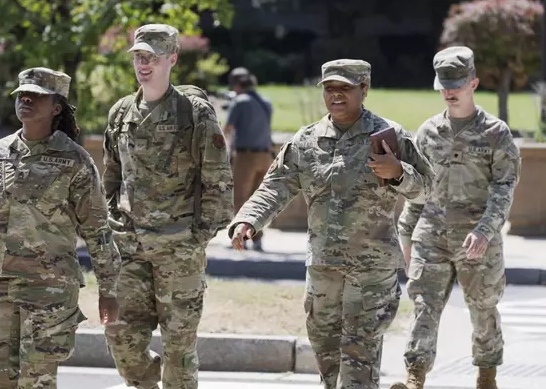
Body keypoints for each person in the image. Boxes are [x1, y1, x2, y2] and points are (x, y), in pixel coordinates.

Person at [228, 59, 434, 389]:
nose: (336, 95)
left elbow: (427, 188)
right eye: (329, 89)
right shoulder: (307, 140)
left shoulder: (390, 137)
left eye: (345, 89)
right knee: (328, 364)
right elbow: (276, 185)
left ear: (364, 90)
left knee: (357, 365)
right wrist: (249, 219)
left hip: (372, 273)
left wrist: (398, 173)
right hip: (323, 270)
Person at [0, 67, 121, 388]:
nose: (25, 99)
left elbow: (97, 229)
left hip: (51, 289)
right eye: (22, 94)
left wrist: (109, 290)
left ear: (56, 107)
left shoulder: (75, 161)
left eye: (36, 95)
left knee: (36, 381)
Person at [102, 24, 233, 389]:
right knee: (121, 338)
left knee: (180, 351)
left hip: (179, 250)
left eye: (153, 58)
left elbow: (219, 182)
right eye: (139, 57)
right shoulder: (120, 113)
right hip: (130, 250)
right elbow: (110, 178)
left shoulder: (194, 114)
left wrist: (197, 238)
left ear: (172, 59)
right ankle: (144, 380)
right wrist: (111, 226)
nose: (145, 65)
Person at [390, 46, 521, 389]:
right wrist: (406, 236)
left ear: (473, 83)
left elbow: (504, 189)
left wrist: (484, 231)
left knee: (483, 311)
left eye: (457, 84)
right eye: (444, 84)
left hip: (477, 239)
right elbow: (417, 189)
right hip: (431, 236)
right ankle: (414, 378)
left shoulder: (496, 133)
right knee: (423, 308)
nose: (449, 91)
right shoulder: (428, 132)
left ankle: (486, 376)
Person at [223, 67, 274, 251]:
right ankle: (258, 239)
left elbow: (227, 129)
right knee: (259, 200)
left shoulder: (240, 101)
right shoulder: (266, 102)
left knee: (240, 199)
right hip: (266, 155)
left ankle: (239, 239)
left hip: (246, 156)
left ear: (236, 85)